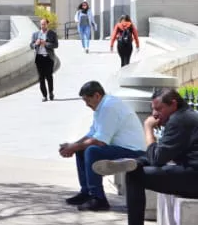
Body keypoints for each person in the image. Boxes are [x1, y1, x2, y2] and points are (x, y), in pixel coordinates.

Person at [93, 87, 198, 225]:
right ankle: (132, 162)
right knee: (138, 165)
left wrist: (148, 129)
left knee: (134, 176)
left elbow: (157, 159)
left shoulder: (180, 120)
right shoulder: (183, 117)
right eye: (153, 109)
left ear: (173, 104)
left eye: (159, 109)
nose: (155, 114)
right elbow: (162, 155)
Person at [58, 81, 147, 211]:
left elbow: (100, 141)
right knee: (82, 149)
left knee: (92, 151)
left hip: (134, 151)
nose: (87, 105)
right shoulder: (101, 107)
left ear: (97, 95)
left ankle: (98, 199)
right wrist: (73, 145)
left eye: (87, 100)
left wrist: (74, 147)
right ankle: (86, 193)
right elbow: (91, 134)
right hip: (120, 148)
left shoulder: (109, 107)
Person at [30, 17, 59, 101]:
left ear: (47, 24)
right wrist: (36, 43)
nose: (42, 26)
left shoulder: (52, 34)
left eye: (44, 24)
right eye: (41, 24)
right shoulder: (35, 34)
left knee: (49, 76)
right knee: (41, 77)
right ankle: (44, 95)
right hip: (39, 58)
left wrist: (45, 44)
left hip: (48, 58)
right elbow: (31, 45)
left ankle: (51, 93)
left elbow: (56, 45)